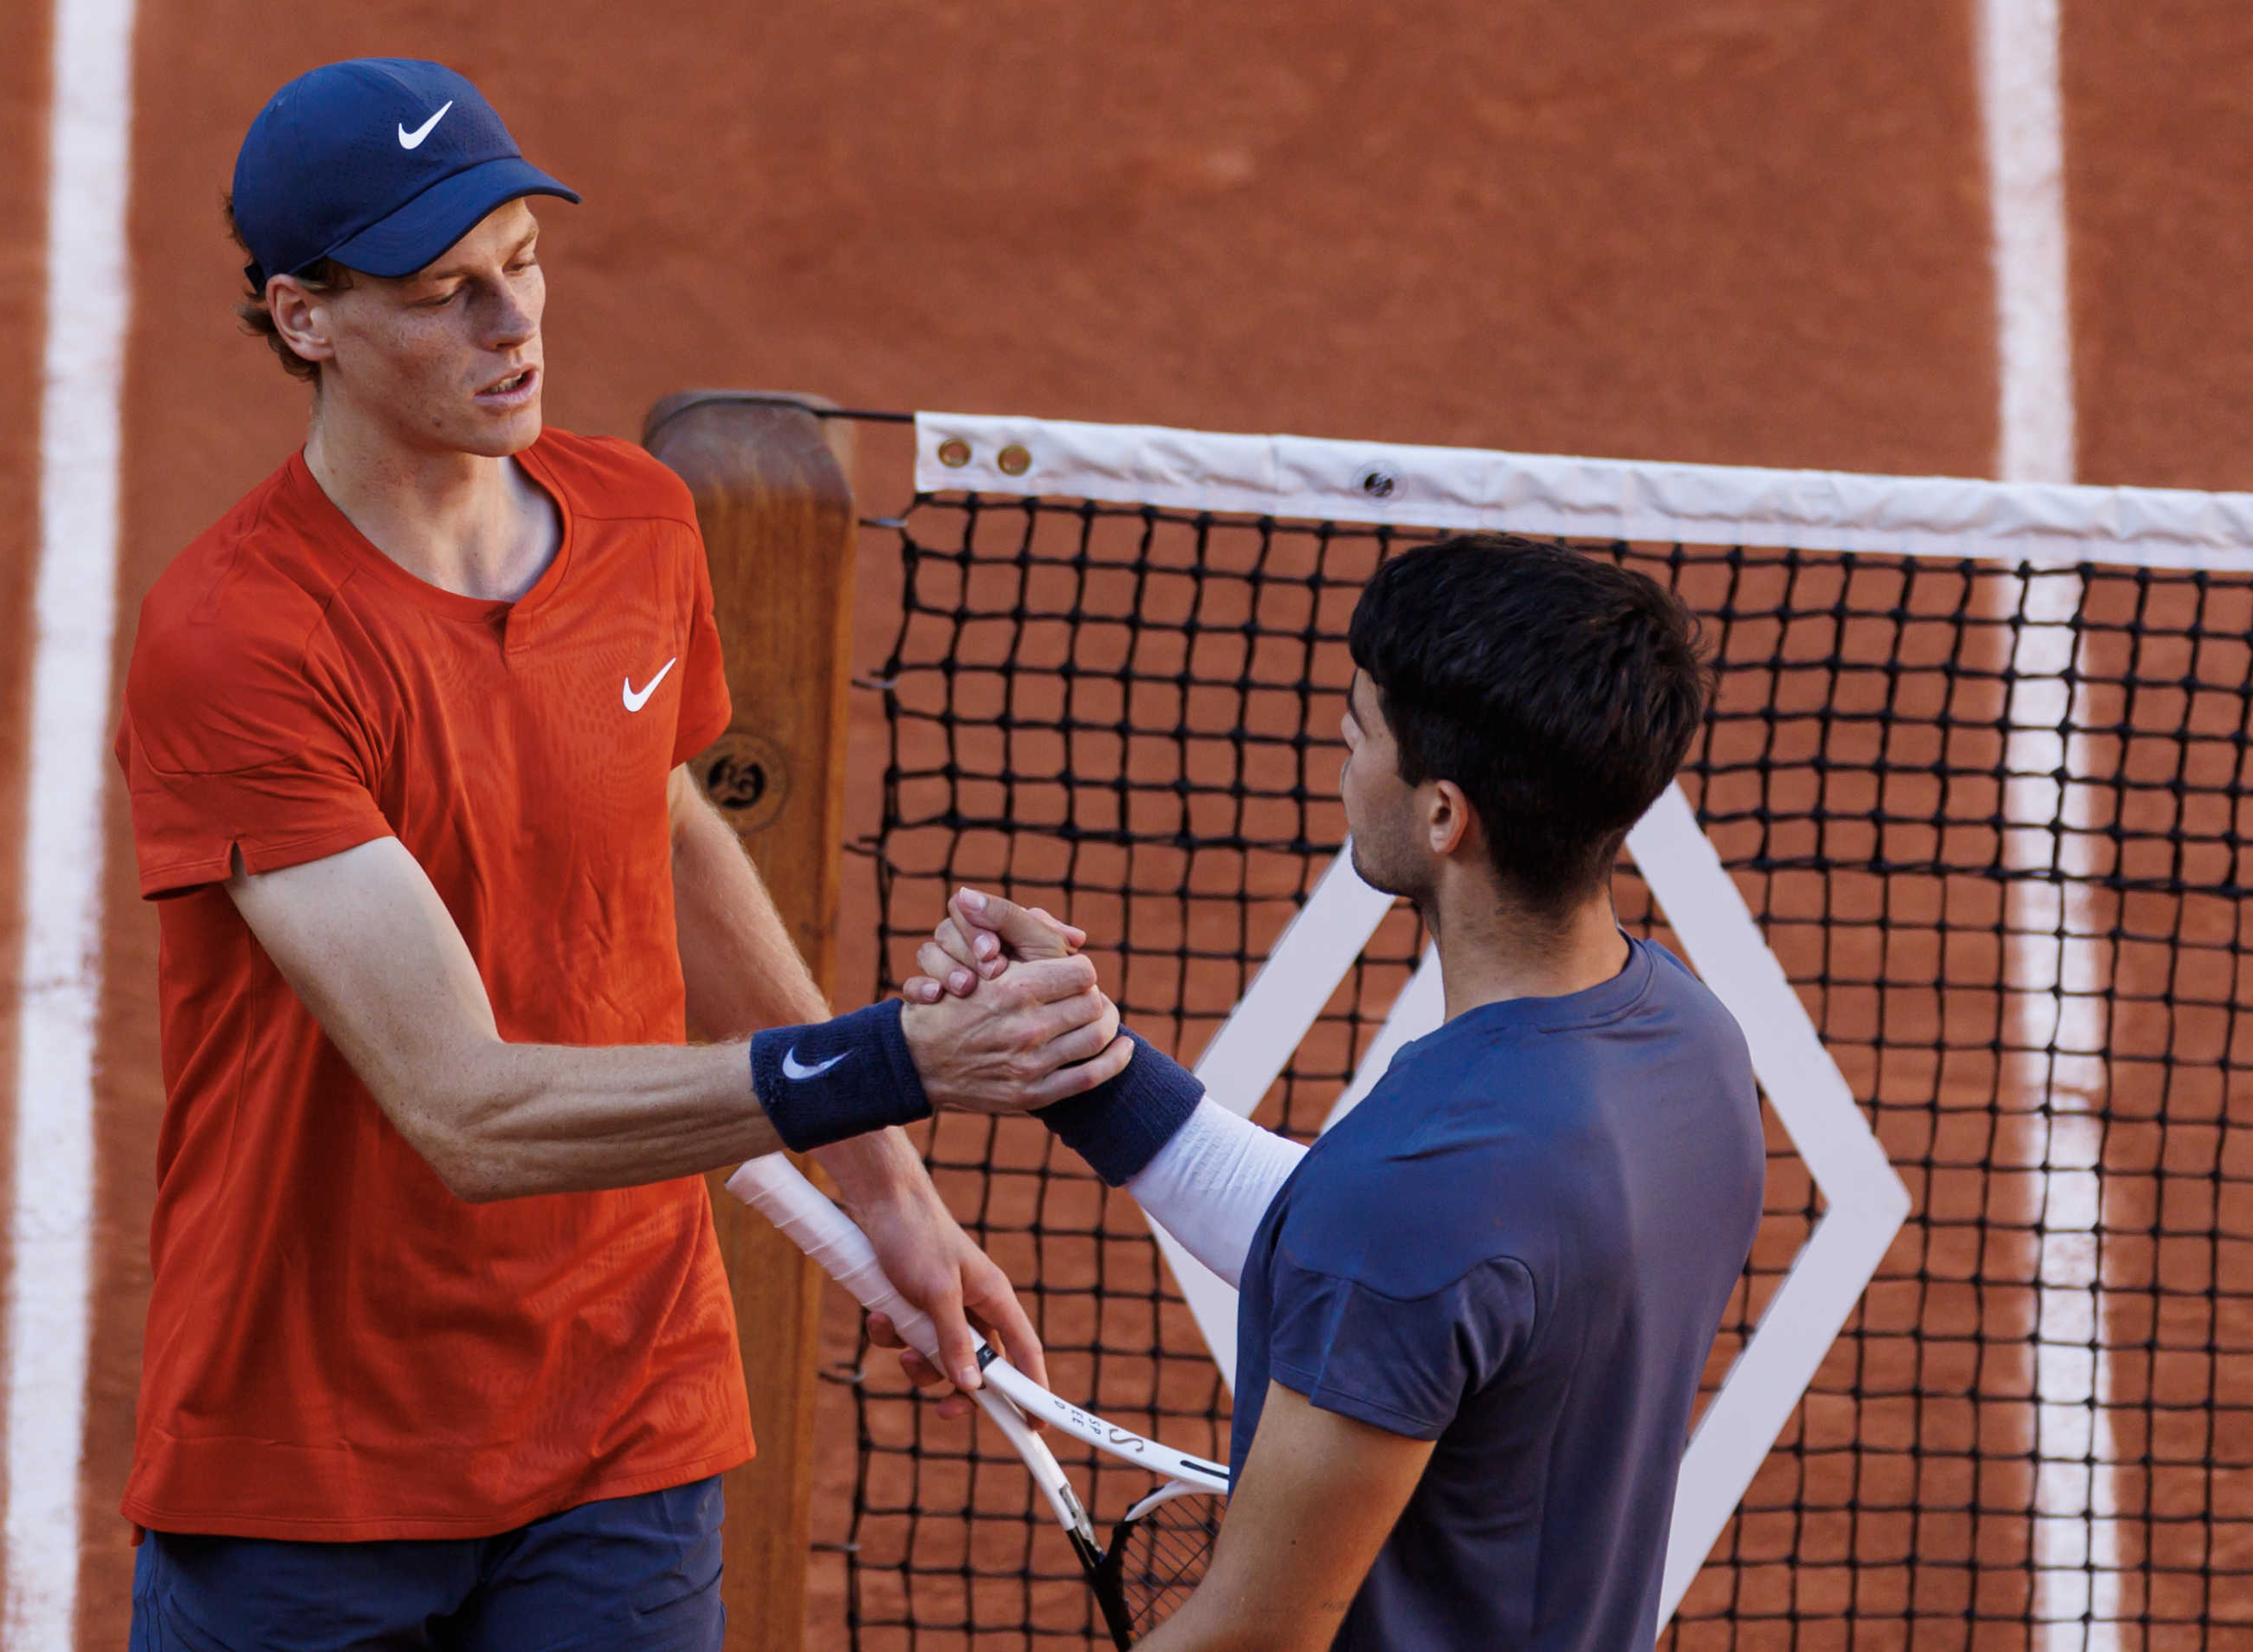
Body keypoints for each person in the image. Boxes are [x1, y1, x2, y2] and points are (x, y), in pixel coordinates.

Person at [114, 58, 1128, 1651]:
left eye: (521, 261)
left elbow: (662, 830)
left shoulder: (641, 524)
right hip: (316, 1459)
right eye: (446, 292)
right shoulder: (239, 642)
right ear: (306, 316)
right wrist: (892, 1062)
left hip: (625, 1419)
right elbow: (467, 1107)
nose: (512, 326)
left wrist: (893, 1198)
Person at [904, 533, 1768, 1650]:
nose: (1343, 752)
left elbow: (1254, 1632)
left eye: (1362, 733)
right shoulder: (1690, 1051)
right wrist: (1082, 1071)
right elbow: (1440, 1274)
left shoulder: (1412, 1203)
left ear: (1444, 816)